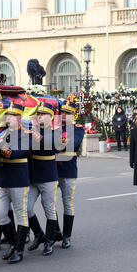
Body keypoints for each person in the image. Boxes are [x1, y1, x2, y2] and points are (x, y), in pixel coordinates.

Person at [0, 102, 31, 264]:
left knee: (21, 214)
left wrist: (0, 145)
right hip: (3, 179)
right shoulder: (1, 133)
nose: (8, 118)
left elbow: (16, 153)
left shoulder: (26, 134)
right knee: (0, 214)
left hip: (18, 178)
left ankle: (19, 250)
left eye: (11, 116)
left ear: (19, 117)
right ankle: (13, 243)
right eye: (7, 116)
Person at [27, 102, 64, 257]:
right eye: (39, 114)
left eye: (43, 114)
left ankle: (49, 241)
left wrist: (31, 133)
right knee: (26, 208)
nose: (40, 116)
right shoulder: (34, 129)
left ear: (51, 116)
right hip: (34, 175)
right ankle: (38, 234)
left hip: (48, 175)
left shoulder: (56, 131)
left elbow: (45, 143)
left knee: (48, 208)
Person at [56, 100, 85, 248]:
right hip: (53, 169)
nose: (64, 115)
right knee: (48, 202)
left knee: (67, 203)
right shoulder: (54, 127)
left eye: (67, 113)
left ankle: (67, 236)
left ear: (74, 115)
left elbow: (73, 144)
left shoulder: (77, 128)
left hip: (68, 169)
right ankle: (55, 231)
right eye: (62, 112)